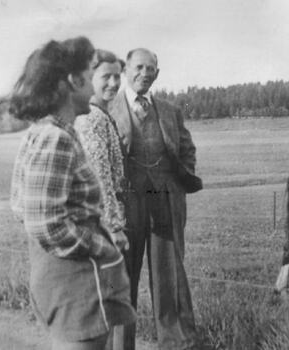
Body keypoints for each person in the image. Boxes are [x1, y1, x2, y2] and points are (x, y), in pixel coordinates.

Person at [9, 37, 136, 350]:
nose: (97, 80)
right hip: (75, 285)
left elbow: (21, 207)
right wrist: (101, 246)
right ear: (73, 80)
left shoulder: (45, 131)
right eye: (91, 70)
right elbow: (45, 224)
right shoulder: (56, 138)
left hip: (66, 281)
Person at [109, 48, 202, 350]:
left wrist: (179, 179)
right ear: (126, 70)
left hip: (164, 200)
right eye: (139, 67)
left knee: (169, 277)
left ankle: (175, 344)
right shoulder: (108, 110)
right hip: (128, 204)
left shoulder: (170, 110)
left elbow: (187, 148)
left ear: (157, 74)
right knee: (123, 277)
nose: (145, 73)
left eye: (151, 69)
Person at [74, 49, 127, 250]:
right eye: (106, 77)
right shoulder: (91, 118)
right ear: (89, 78)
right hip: (100, 225)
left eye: (117, 76)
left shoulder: (100, 114)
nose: (114, 83)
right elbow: (100, 176)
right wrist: (113, 226)